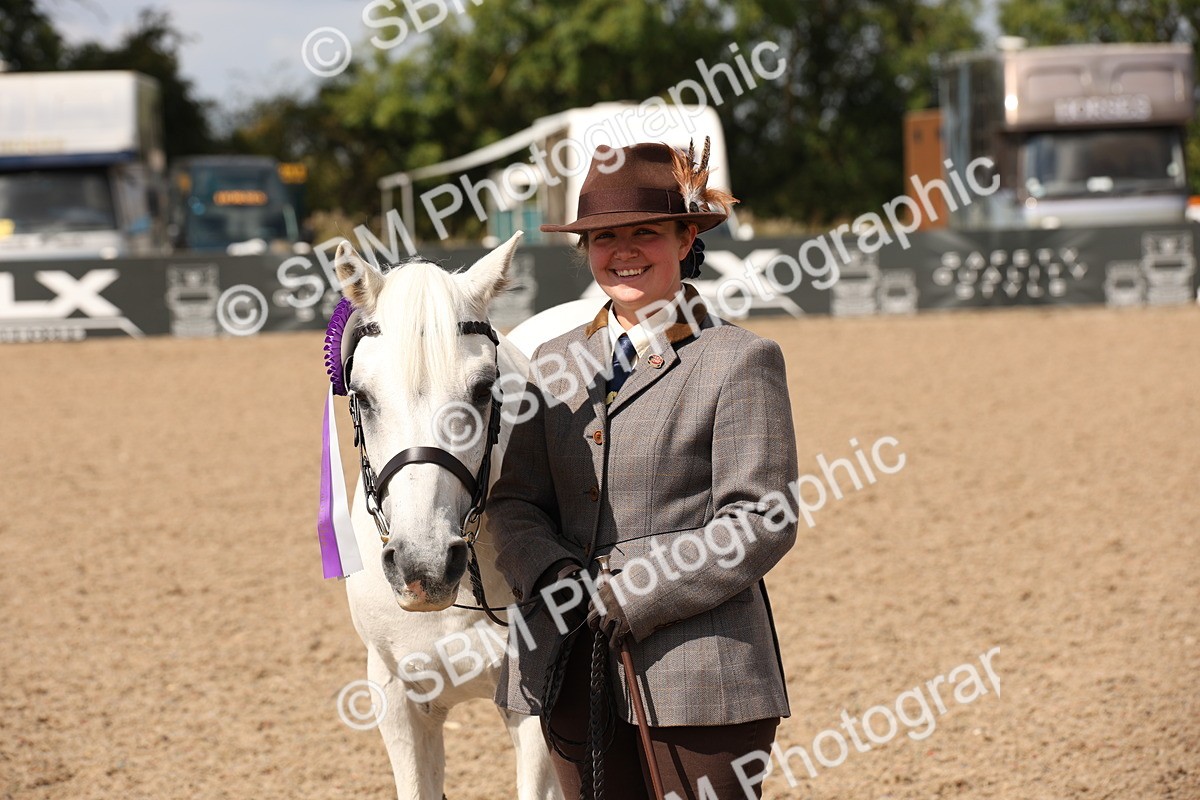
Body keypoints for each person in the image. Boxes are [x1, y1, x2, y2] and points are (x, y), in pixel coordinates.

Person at [489, 141, 798, 800]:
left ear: (687, 238)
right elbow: (514, 503)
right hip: (568, 659)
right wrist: (553, 577)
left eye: (645, 233)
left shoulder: (739, 359)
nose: (622, 251)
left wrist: (639, 594)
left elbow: (761, 520)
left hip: (700, 672)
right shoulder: (548, 360)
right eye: (604, 238)